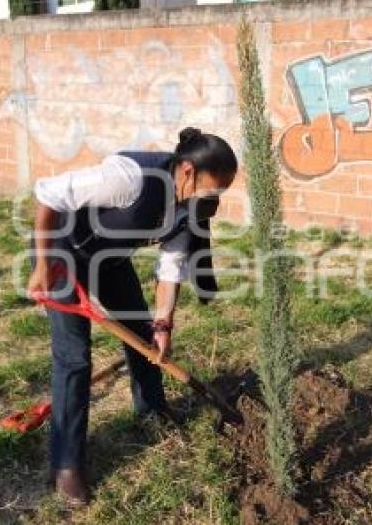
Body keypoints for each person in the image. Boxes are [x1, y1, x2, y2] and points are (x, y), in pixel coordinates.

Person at [26, 127, 238, 506]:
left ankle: (151, 406)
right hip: (63, 252)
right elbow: (48, 193)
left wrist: (164, 325)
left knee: (142, 333)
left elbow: (171, 267)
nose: (216, 198)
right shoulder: (129, 179)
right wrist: (43, 266)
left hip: (109, 260)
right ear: (187, 171)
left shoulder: (189, 207)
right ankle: (66, 465)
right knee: (74, 357)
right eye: (214, 188)